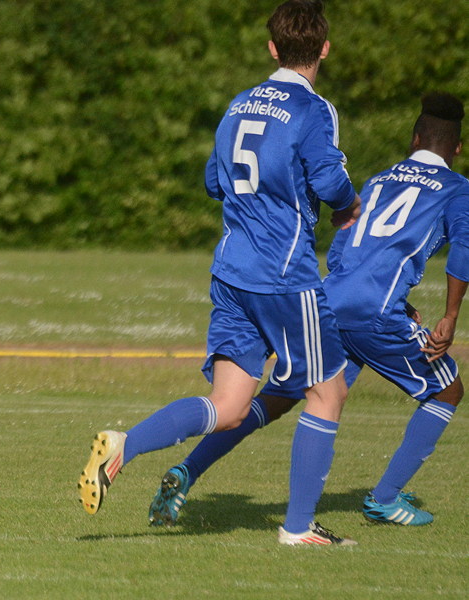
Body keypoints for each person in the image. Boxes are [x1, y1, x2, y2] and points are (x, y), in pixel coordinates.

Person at [78, 0, 362, 546]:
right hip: (284, 277)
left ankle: (124, 444)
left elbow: (215, 182)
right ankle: (298, 529)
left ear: (272, 48)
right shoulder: (314, 109)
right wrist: (347, 206)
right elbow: (330, 183)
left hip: (232, 272)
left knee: (229, 407)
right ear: (324, 48)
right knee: (327, 392)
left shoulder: (238, 104)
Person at [152, 91, 468, 528]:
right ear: (457, 148)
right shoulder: (457, 189)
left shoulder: (379, 180)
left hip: (330, 302)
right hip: (375, 313)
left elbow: (342, 251)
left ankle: (187, 470)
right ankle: (384, 499)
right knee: (447, 391)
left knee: (276, 400)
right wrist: (449, 316)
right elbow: (462, 252)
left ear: (414, 139)